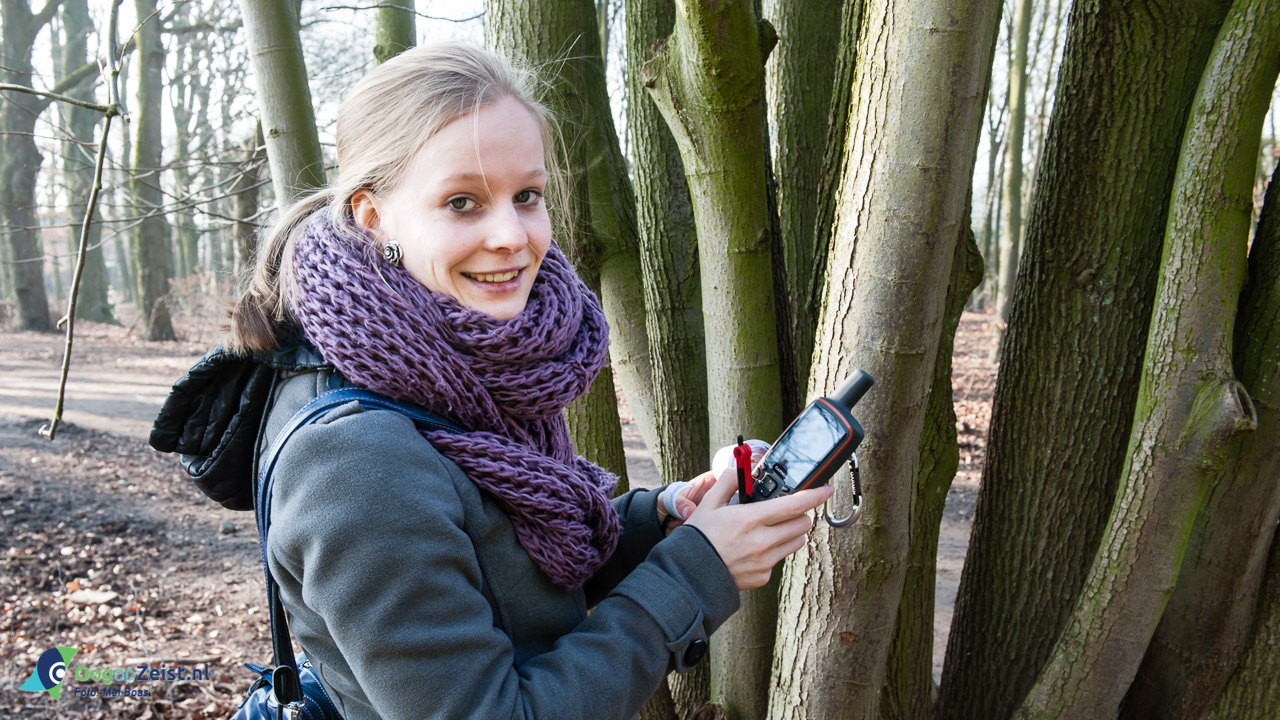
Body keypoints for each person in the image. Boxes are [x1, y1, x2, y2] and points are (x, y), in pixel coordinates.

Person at [222, 42, 832, 720]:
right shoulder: (354, 461)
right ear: (373, 217)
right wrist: (696, 571)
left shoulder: (449, 365)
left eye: (527, 196)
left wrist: (664, 521)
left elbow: (501, 568)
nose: (512, 236)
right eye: (462, 202)